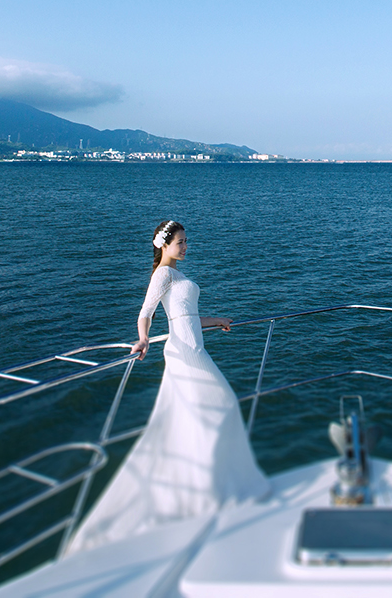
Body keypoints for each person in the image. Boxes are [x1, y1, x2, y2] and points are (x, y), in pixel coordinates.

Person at [65, 219, 270, 554]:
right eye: (180, 242)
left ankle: (204, 490)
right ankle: (205, 492)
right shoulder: (163, 274)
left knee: (205, 414)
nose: (186, 247)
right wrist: (143, 339)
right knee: (223, 404)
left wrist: (215, 319)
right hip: (184, 352)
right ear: (163, 244)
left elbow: (185, 317)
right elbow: (146, 312)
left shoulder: (177, 274)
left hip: (194, 347)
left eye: (187, 241)